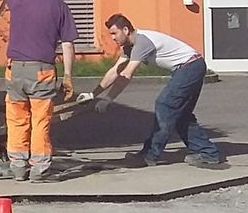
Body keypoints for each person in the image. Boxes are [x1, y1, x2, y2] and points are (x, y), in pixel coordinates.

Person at [95, 13, 225, 169]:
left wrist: (108, 99)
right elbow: (115, 71)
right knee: (180, 115)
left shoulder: (142, 43)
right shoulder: (129, 47)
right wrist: (93, 94)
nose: (113, 38)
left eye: (114, 33)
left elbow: (126, 74)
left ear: (125, 30)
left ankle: (149, 155)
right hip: (188, 68)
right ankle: (208, 153)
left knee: (165, 105)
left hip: (190, 66)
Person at [3, 0, 78, 182]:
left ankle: (17, 167)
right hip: (42, 70)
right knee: (40, 120)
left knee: (16, 118)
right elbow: (67, 45)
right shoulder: (59, 6)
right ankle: (38, 169)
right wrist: (67, 75)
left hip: (15, 68)